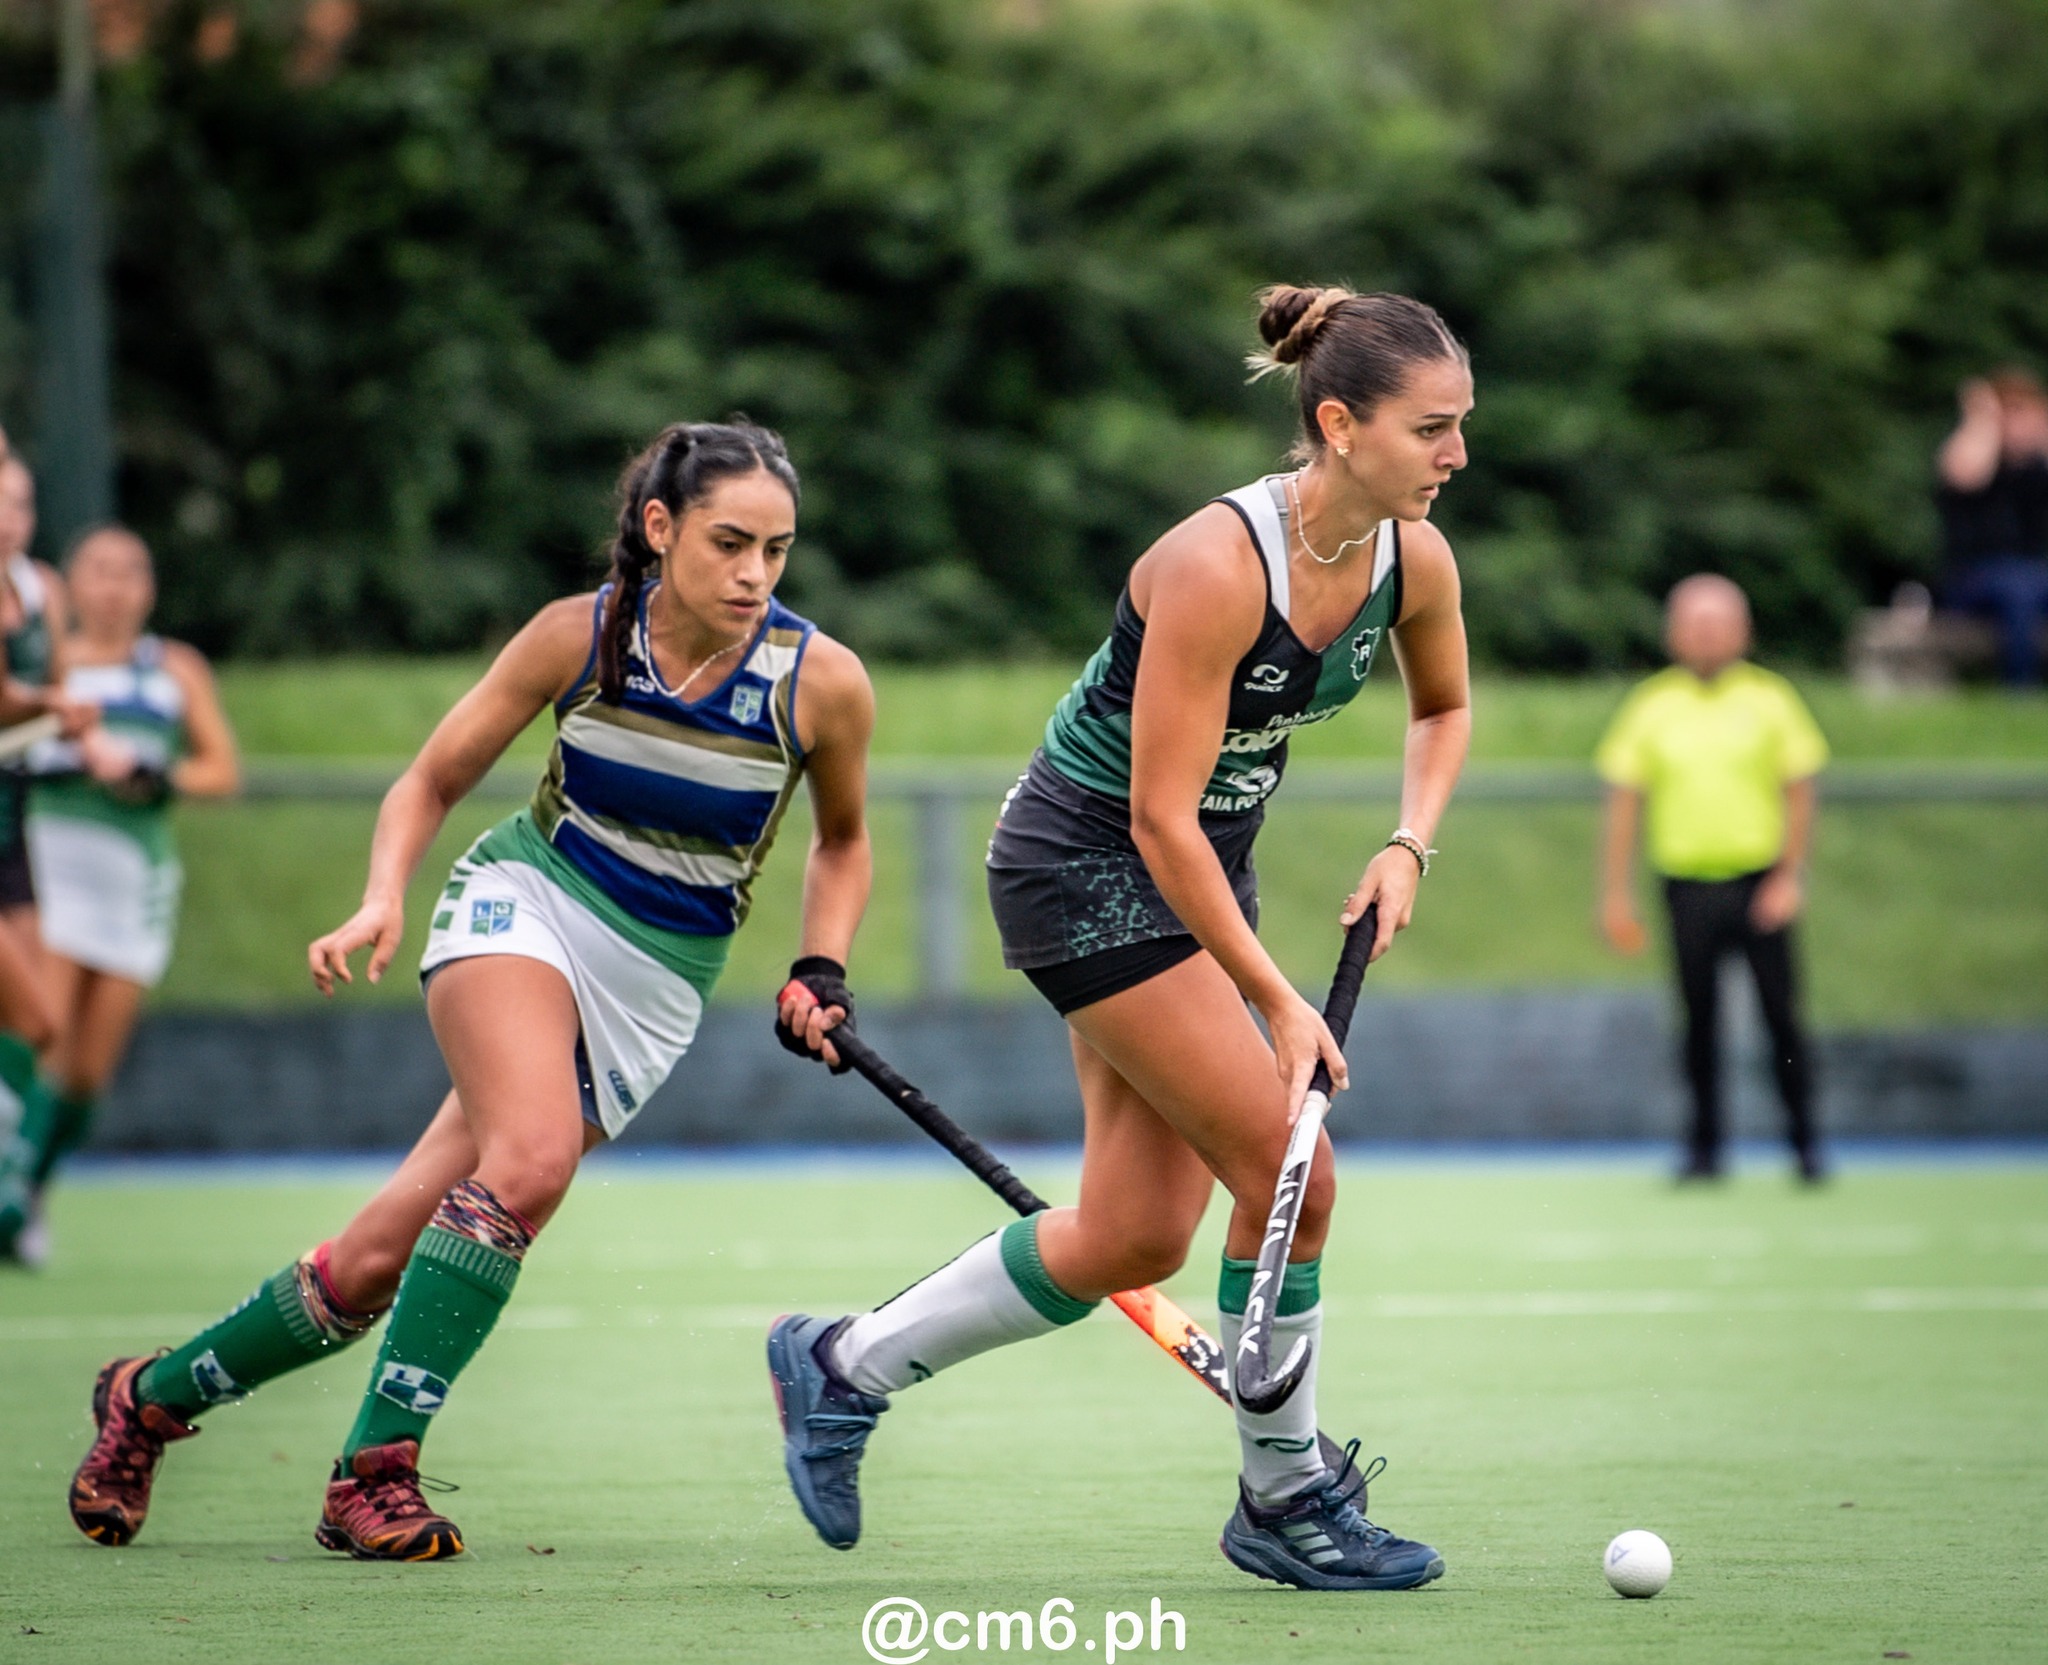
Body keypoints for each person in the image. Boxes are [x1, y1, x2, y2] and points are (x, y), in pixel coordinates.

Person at [65, 420, 876, 1560]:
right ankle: (371, 1473)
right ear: (660, 527)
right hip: (524, 903)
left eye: (776, 551)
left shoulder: (820, 683)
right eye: (728, 543)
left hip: (656, 985)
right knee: (532, 1162)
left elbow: (842, 842)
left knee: (376, 1261)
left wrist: (817, 964)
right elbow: (434, 776)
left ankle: (148, 1397)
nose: (753, 575)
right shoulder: (579, 636)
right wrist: (381, 897)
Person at [766, 286, 1472, 1592]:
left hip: (1199, 871)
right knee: (1295, 1179)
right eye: (1432, 429)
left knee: (1141, 1233)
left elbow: (1445, 708)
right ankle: (1287, 1497)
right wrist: (1273, 999)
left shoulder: (1409, 560)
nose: (1457, 455)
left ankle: (839, 1365)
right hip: (1087, 868)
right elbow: (1155, 814)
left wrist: (1405, 841)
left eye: (1460, 426)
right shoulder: (1215, 565)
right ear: (1338, 422)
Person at [11, 527, 240, 1252]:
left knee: (85, 1072)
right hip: (49, 871)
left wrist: (154, 777)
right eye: (98, 571)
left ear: (148, 589)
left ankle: (34, 1191)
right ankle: (10, 1193)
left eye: (129, 572)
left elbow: (220, 770)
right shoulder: (46, 671)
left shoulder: (173, 668)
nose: (113, 588)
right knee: (43, 1029)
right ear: (71, 586)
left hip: (131, 884)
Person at [1596, 575, 1829, 1183]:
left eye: (1717, 623)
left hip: (1759, 885)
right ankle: (1705, 1150)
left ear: (1743, 631)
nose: (1705, 636)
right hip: (1686, 886)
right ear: (1675, 633)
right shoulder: (1652, 705)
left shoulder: (1772, 700)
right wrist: (1616, 895)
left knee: (1782, 1017)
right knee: (1698, 1022)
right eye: (1694, 624)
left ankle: (1805, 1145)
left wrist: (1789, 876)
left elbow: (1800, 790)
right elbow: (1624, 802)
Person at [1936, 369, 2048, 685]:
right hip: (1970, 578)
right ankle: (2019, 689)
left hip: (2032, 576)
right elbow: (1965, 474)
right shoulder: (1970, 452)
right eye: (2011, 411)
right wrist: (1984, 418)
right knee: (2018, 588)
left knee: (2025, 583)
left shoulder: (2036, 467)